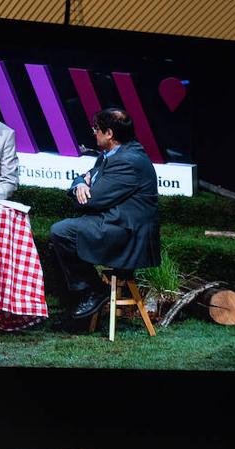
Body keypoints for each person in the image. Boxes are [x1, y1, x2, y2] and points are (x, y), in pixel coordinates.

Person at [48, 108, 160, 321]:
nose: (93, 132)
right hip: (112, 222)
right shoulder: (112, 154)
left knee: (61, 231)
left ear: (109, 133)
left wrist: (85, 187)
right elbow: (85, 178)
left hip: (128, 234)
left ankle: (94, 290)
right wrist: (80, 183)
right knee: (58, 239)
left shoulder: (129, 160)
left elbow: (90, 201)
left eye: (96, 129)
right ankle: (76, 303)